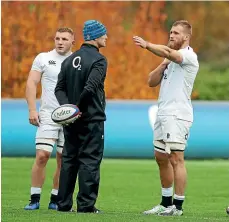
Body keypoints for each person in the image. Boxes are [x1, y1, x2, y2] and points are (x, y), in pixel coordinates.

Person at [133, 20, 199, 216]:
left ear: (186, 37)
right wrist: (163, 63)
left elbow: (171, 53)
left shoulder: (188, 56)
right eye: (170, 32)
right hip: (163, 113)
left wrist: (148, 45)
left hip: (177, 114)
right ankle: (165, 203)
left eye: (176, 33)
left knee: (176, 158)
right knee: (161, 157)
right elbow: (151, 81)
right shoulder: (169, 59)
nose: (171, 35)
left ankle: (177, 207)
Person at [54, 20, 108, 213]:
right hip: (92, 118)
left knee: (69, 160)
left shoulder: (69, 60)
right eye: (103, 34)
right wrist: (78, 109)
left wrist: (68, 111)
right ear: (95, 36)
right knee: (90, 160)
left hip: (71, 121)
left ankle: (63, 204)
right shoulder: (99, 60)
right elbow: (91, 87)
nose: (106, 37)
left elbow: (58, 89)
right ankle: (86, 206)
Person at [24, 27, 75, 210]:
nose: (60, 42)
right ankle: (34, 198)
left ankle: (55, 199)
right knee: (42, 156)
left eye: (64, 39)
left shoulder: (77, 61)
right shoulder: (43, 58)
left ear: (72, 42)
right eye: (57, 38)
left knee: (63, 159)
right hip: (47, 115)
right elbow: (31, 82)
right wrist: (32, 109)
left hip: (70, 117)